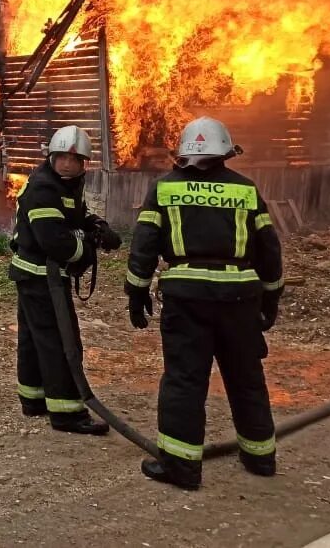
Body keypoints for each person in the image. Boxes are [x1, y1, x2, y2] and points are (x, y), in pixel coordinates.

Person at [125, 116, 284, 490]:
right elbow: (269, 249)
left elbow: (144, 243)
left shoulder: (164, 189)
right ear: (226, 152)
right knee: (246, 378)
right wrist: (271, 295)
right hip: (240, 298)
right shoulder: (245, 190)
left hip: (187, 299)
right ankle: (261, 457)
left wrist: (136, 290)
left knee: (185, 380)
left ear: (183, 153)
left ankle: (181, 468)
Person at [8, 125, 122, 435]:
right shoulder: (45, 188)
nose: (69, 164)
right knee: (60, 341)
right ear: (52, 156)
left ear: (84, 163)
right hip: (41, 276)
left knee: (34, 339)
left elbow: (76, 215)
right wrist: (87, 250)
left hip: (36, 276)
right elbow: (54, 241)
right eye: (62, 158)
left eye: (76, 160)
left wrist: (97, 225)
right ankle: (68, 414)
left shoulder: (65, 186)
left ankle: (34, 400)